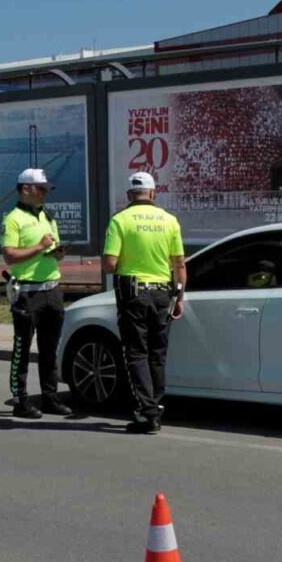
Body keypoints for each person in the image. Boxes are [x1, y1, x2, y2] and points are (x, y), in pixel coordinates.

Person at [103, 171, 187, 434]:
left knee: (136, 353)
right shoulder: (170, 220)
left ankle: (147, 413)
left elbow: (109, 264)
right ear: (153, 193)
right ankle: (156, 407)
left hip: (134, 295)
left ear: (129, 194)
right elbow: (180, 264)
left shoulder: (120, 220)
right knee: (157, 354)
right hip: (164, 293)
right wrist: (180, 297)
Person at [1, 168, 72, 419]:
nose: (45, 193)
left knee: (49, 348)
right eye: (41, 189)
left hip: (52, 289)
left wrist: (56, 252)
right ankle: (21, 400)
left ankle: (49, 397)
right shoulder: (13, 219)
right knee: (22, 347)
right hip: (27, 293)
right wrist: (39, 247)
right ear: (26, 189)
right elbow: (10, 256)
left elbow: (50, 249)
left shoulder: (47, 216)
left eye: (46, 189)